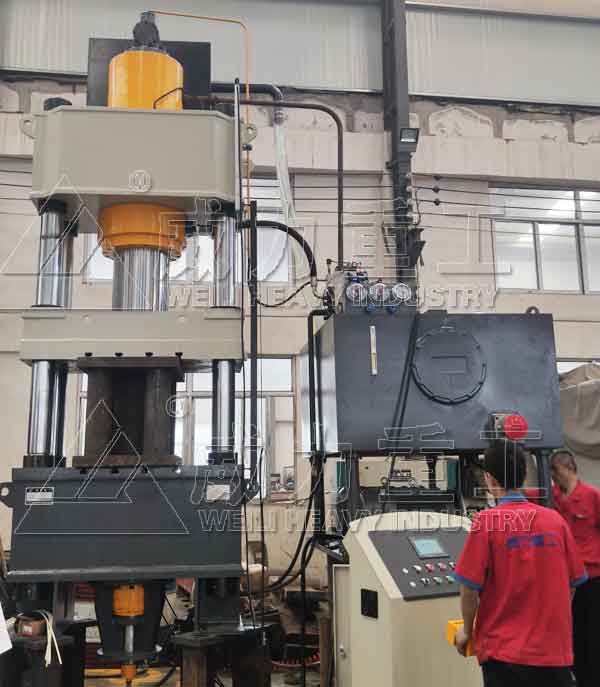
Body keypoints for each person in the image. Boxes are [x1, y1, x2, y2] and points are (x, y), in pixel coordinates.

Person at [453, 441, 587, 687]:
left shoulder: (487, 523)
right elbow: (573, 582)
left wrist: (467, 632)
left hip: (504, 655)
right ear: (524, 474)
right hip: (553, 654)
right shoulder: (555, 521)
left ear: (489, 478)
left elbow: (468, 588)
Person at [551, 448, 600, 687]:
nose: (553, 476)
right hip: (564, 579)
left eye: (556, 471)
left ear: (569, 468)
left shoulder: (592, 497)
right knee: (570, 634)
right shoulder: (553, 498)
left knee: (592, 635)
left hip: (592, 579)